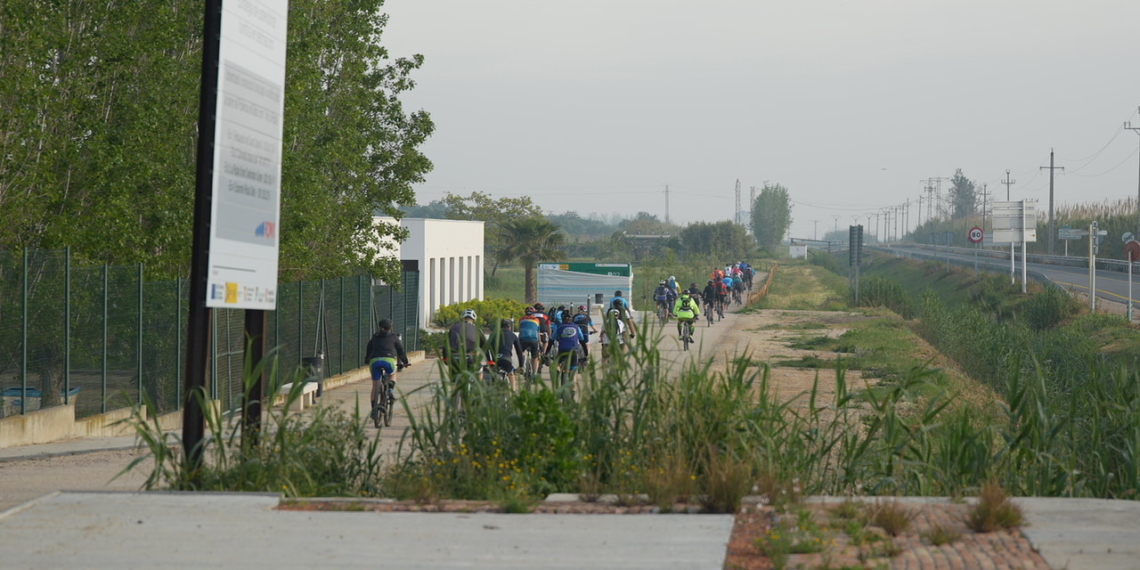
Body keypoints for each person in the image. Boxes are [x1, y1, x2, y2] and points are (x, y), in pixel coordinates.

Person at [365, 318, 410, 419]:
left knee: (375, 385)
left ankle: (374, 410)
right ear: (390, 328)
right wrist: (406, 362)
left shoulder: (375, 337)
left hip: (374, 361)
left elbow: (369, 348)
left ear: (380, 328)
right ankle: (390, 389)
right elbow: (400, 351)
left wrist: (367, 359)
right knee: (393, 373)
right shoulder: (394, 337)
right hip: (388, 360)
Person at [447, 308, 488, 379]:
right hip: (471, 358)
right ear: (474, 320)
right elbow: (485, 346)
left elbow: (446, 344)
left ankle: (453, 388)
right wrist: (490, 361)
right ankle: (477, 388)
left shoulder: (453, 328)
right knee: (480, 371)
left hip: (455, 358)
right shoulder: (477, 329)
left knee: (453, 379)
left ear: (462, 318)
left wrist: (445, 359)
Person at [546, 312, 583, 389]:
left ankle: (558, 371)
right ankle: (573, 393)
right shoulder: (576, 327)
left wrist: (546, 353)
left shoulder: (559, 327)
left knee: (555, 365)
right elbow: (582, 341)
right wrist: (586, 354)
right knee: (573, 374)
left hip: (562, 351)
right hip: (574, 351)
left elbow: (551, 340)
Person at [490, 318, 525, 391]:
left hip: (496, 359)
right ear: (509, 327)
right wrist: (521, 366)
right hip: (506, 359)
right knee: (511, 373)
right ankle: (513, 393)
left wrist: (491, 362)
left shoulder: (493, 334)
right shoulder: (513, 335)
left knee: (493, 374)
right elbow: (519, 352)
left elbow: (489, 348)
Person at [517, 307, 545, 378]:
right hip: (534, 339)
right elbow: (538, 332)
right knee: (535, 357)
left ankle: (521, 367)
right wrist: (540, 343)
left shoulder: (521, 319)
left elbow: (520, 330)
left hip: (523, 339)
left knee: (522, 353)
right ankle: (534, 374)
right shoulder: (536, 320)